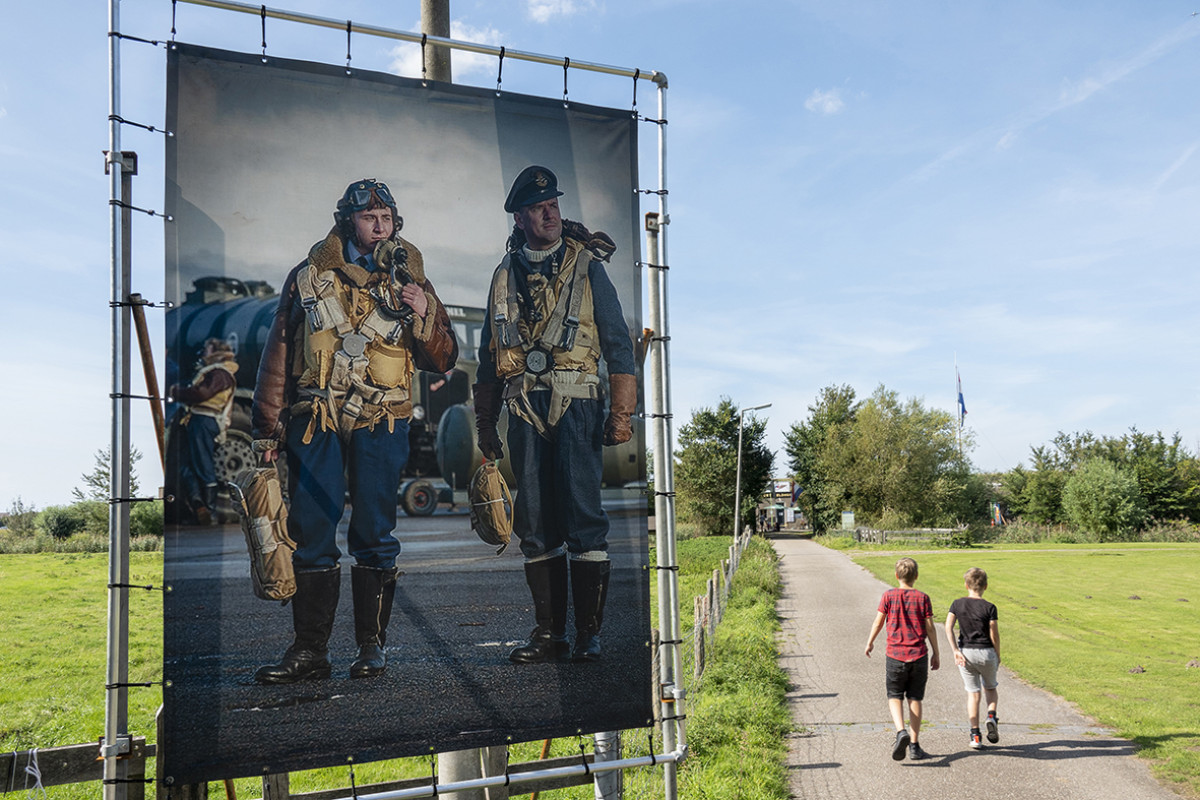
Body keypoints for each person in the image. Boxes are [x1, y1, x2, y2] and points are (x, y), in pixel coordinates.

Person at [250, 178, 459, 683]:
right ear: (349, 221)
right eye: (371, 218)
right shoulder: (305, 277)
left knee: (374, 531)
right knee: (311, 530)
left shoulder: (412, 279)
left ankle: (371, 648)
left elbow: (443, 356)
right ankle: (310, 651)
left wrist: (424, 312)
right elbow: (280, 352)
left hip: (381, 418)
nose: (380, 225)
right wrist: (266, 430)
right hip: (313, 416)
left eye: (387, 218)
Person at [473, 165, 637, 665]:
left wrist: (621, 415)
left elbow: (618, 346)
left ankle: (589, 635)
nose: (551, 214)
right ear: (520, 217)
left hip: (578, 406)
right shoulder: (503, 277)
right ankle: (550, 634)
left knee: (584, 519)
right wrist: (484, 426)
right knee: (536, 523)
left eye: (555, 206)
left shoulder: (589, 268)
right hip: (524, 409)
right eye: (540, 208)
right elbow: (486, 360)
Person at [865, 556, 941, 761]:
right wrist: (936, 652)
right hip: (919, 656)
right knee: (915, 698)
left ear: (896, 575)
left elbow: (878, 622)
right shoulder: (923, 598)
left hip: (895, 655)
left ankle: (901, 731)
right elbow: (930, 628)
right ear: (916, 576)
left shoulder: (888, 596)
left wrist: (870, 642)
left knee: (895, 695)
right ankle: (915, 746)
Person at [168, 337, 238, 525]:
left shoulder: (219, 374)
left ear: (215, 352)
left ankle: (210, 511)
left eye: (207, 349)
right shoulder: (218, 373)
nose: (203, 353)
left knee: (203, 465)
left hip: (204, 420)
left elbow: (202, 394)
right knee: (189, 466)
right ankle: (199, 506)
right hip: (199, 420)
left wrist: (176, 392)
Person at [944, 567, 1001, 749]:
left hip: (966, 653)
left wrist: (955, 650)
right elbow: (994, 633)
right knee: (990, 688)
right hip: (986, 652)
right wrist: (997, 654)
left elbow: (948, 627)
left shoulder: (957, 604)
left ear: (966, 585)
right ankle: (991, 716)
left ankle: (975, 736)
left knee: (973, 693)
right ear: (985, 585)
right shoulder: (990, 607)